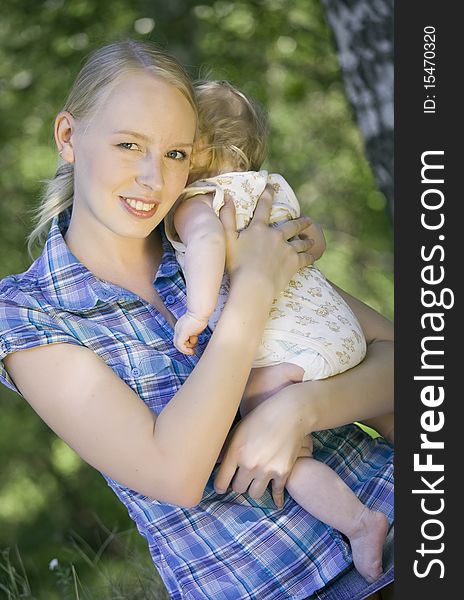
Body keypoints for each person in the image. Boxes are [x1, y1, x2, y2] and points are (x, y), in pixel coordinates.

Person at [0, 40, 394, 599]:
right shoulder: (28, 315)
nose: (152, 178)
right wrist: (254, 288)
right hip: (268, 585)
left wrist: (298, 410)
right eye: (128, 145)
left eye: (176, 154)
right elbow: (175, 473)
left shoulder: (213, 230)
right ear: (68, 137)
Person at [164, 79, 391, 583]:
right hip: (333, 326)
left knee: (265, 440)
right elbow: (308, 240)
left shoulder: (196, 200)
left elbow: (204, 247)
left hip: (284, 344)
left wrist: (197, 312)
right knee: (388, 400)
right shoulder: (270, 187)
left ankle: (358, 524)